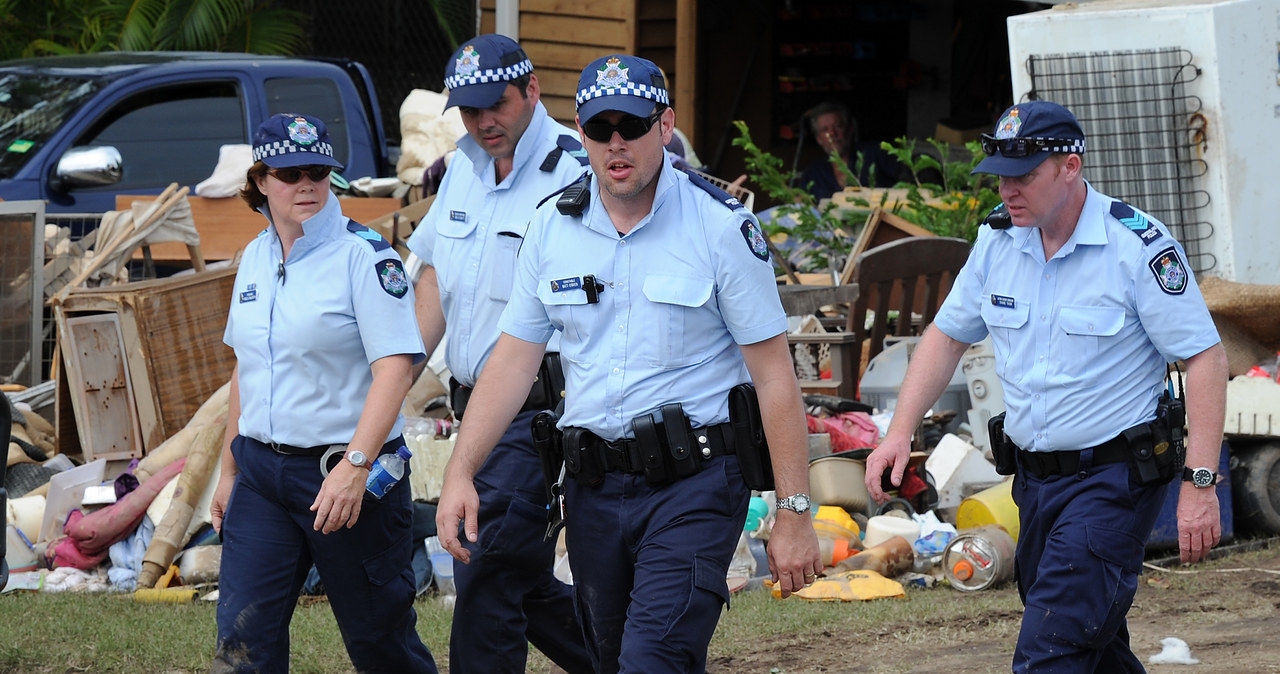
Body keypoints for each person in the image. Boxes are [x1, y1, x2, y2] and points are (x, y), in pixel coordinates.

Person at [434, 53, 822, 673]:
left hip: (695, 485)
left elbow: (775, 377)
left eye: (633, 126)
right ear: (580, 132)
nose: (616, 144)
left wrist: (795, 513)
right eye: (599, 129)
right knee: (612, 661)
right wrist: (461, 472)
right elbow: (511, 362)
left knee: (653, 660)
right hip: (593, 489)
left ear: (665, 127)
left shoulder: (721, 228)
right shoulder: (550, 229)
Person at [863, 100, 1228, 673]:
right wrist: (898, 433)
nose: (1008, 189)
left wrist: (1200, 485)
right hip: (1035, 483)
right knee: (1092, 645)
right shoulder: (998, 241)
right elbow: (946, 337)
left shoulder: (1136, 247)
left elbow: (1204, 359)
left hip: (1114, 481)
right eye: (1001, 175)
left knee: (1049, 651)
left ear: (1070, 167)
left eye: (1024, 175)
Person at [210, 112, 437, 674]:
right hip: (262, 475)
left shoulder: (366, 257)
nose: (307, 184)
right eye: (290, 173)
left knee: (381, 644)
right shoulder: (256, 256)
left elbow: (396, 370)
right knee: (243, 644)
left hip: (343, 472)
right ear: (261, 180)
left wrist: (356, 465)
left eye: (318, 171)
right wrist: (230, 471)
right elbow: (246, 368)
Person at [404, 34, 593, 674]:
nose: (484, 120)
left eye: (497, 104)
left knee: (486, 562)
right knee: (521, 577)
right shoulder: (462, 168)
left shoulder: (576, 169)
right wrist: (394, 375)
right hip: (473, 410)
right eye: (469, 108)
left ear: (532, 90)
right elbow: (433, 277)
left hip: (542, 409)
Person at [797, 101, 899, 199]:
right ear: (819, 139)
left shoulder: (876, 153)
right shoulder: (813, 173)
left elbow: (909, 181)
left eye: (838, 126)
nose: (832, 133)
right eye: (825, 130)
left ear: (850, 129)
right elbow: (801, 206)